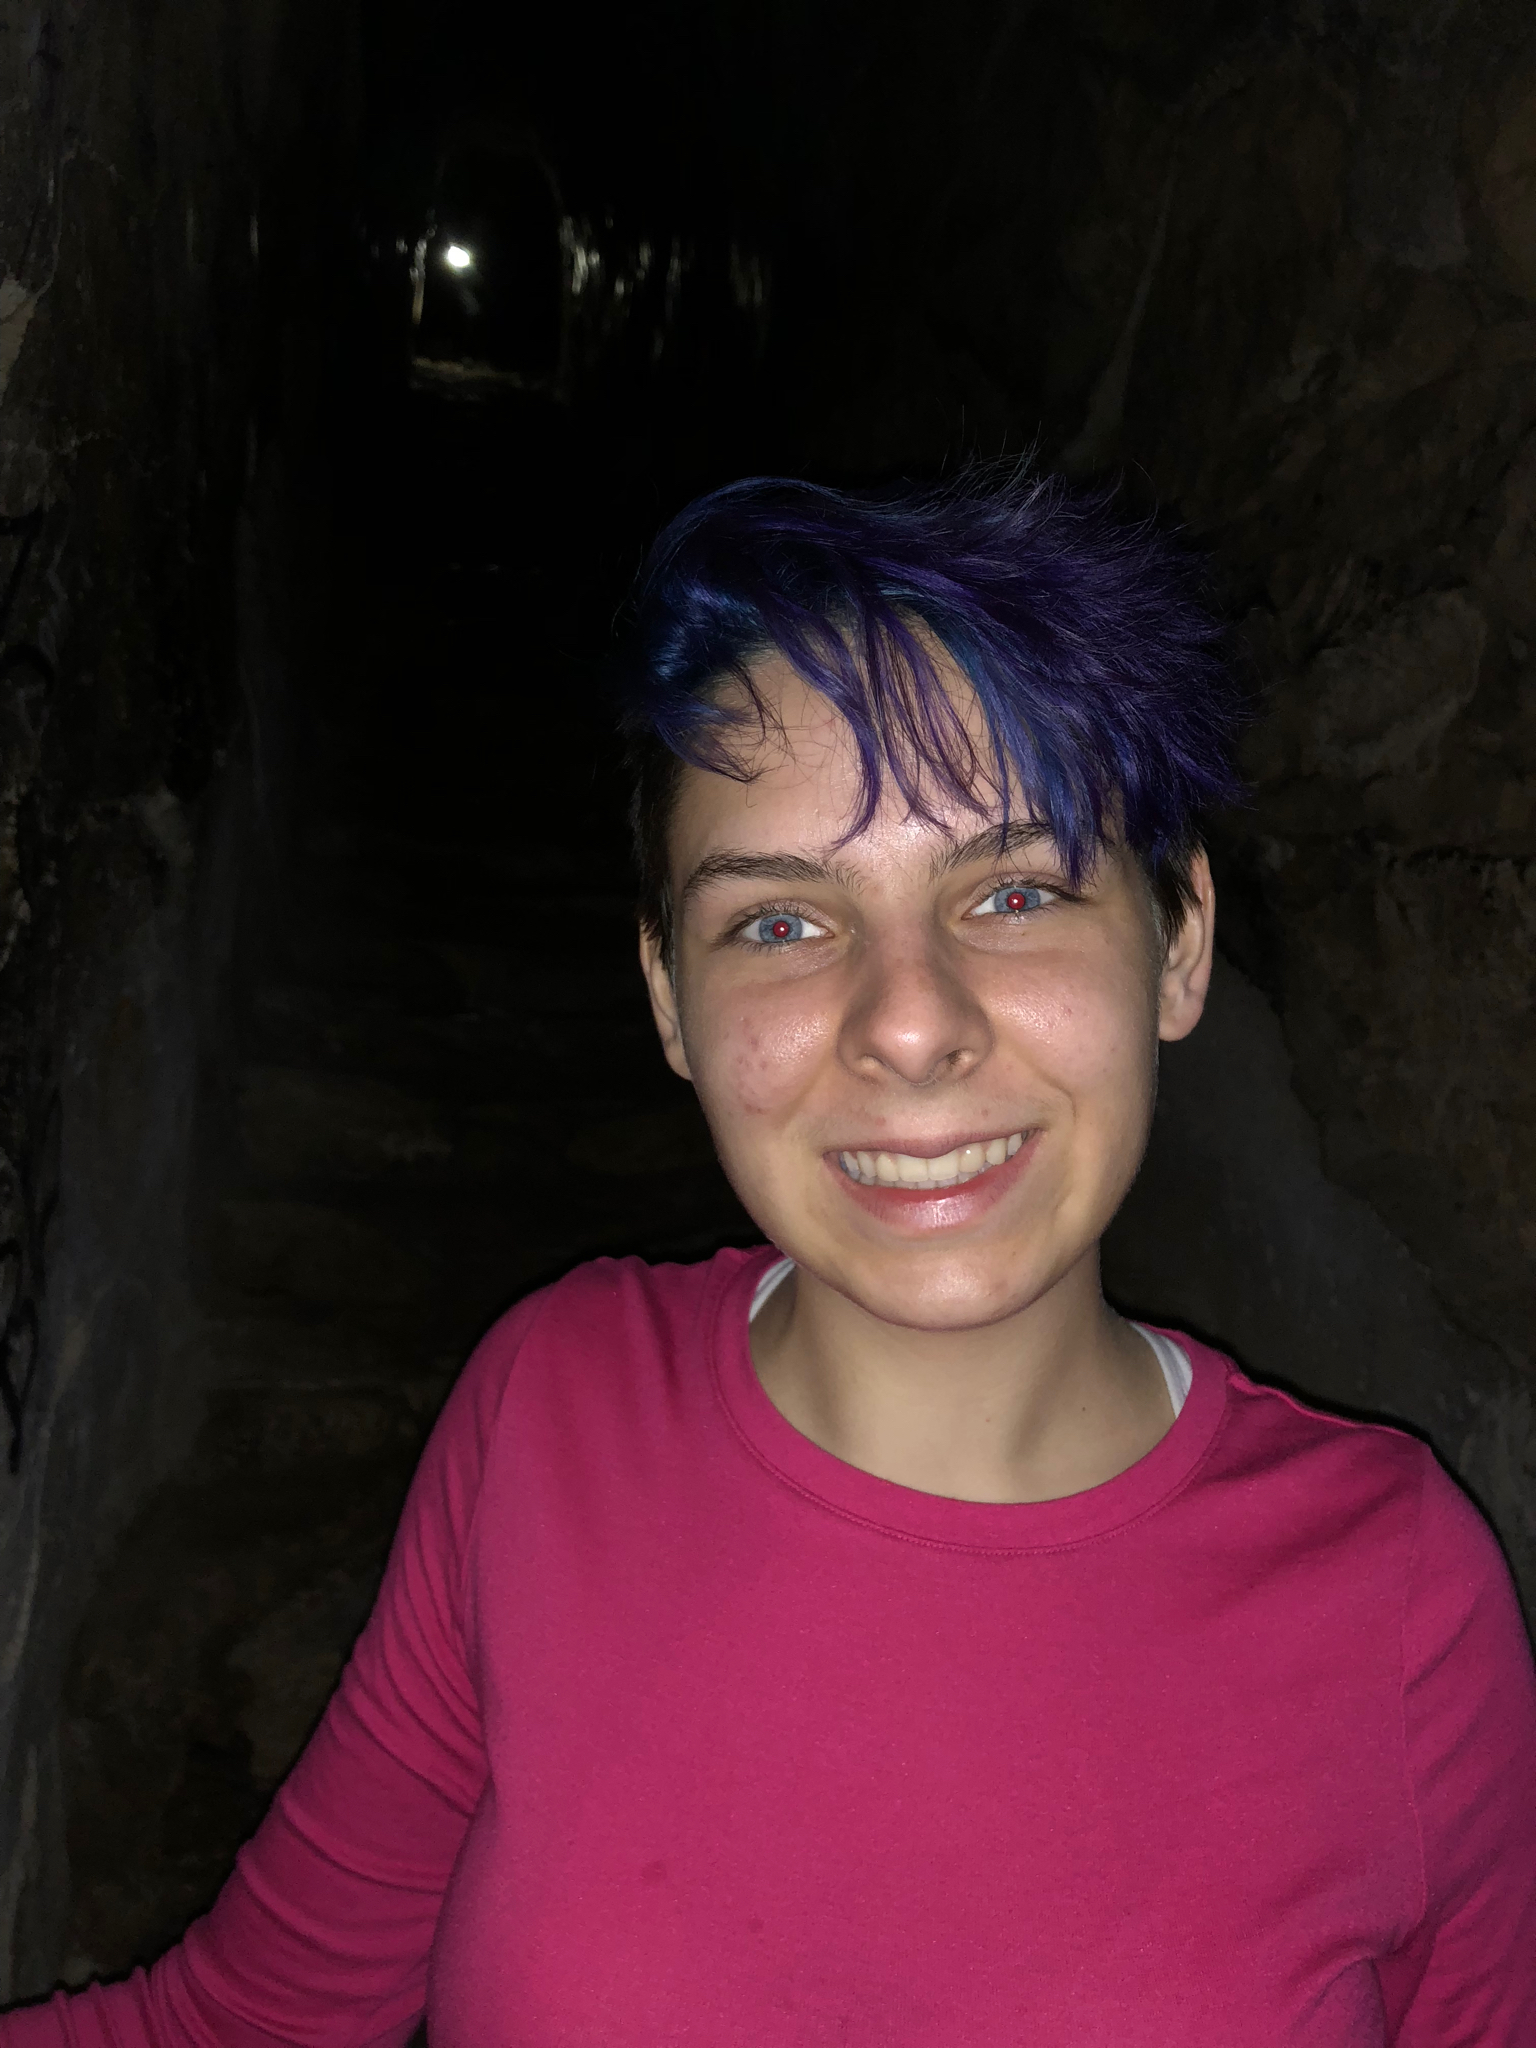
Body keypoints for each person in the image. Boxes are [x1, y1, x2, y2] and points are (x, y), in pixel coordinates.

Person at [5, 471, 1534, 2046]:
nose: (912, 1022)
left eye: (1013, 892)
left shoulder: (1400, 1612)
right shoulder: (556, 1415)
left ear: (1181, 940)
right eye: (782, 926)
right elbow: (243, 2025)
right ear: (669, 999)